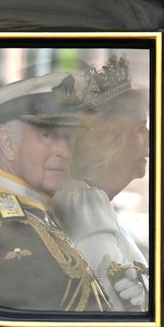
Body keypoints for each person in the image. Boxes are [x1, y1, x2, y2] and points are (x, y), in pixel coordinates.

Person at [0, 72, 109, 312]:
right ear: (8, 143)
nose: (64, 151)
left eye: (68, 137)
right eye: (47, 136)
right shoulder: (9, 229)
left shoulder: (23, 210)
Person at [52, 56, 149, 312]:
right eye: (140, 128)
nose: (150, 138)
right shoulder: (84, 203)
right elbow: (114, 307)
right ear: (107, 140)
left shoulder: (90, 200)